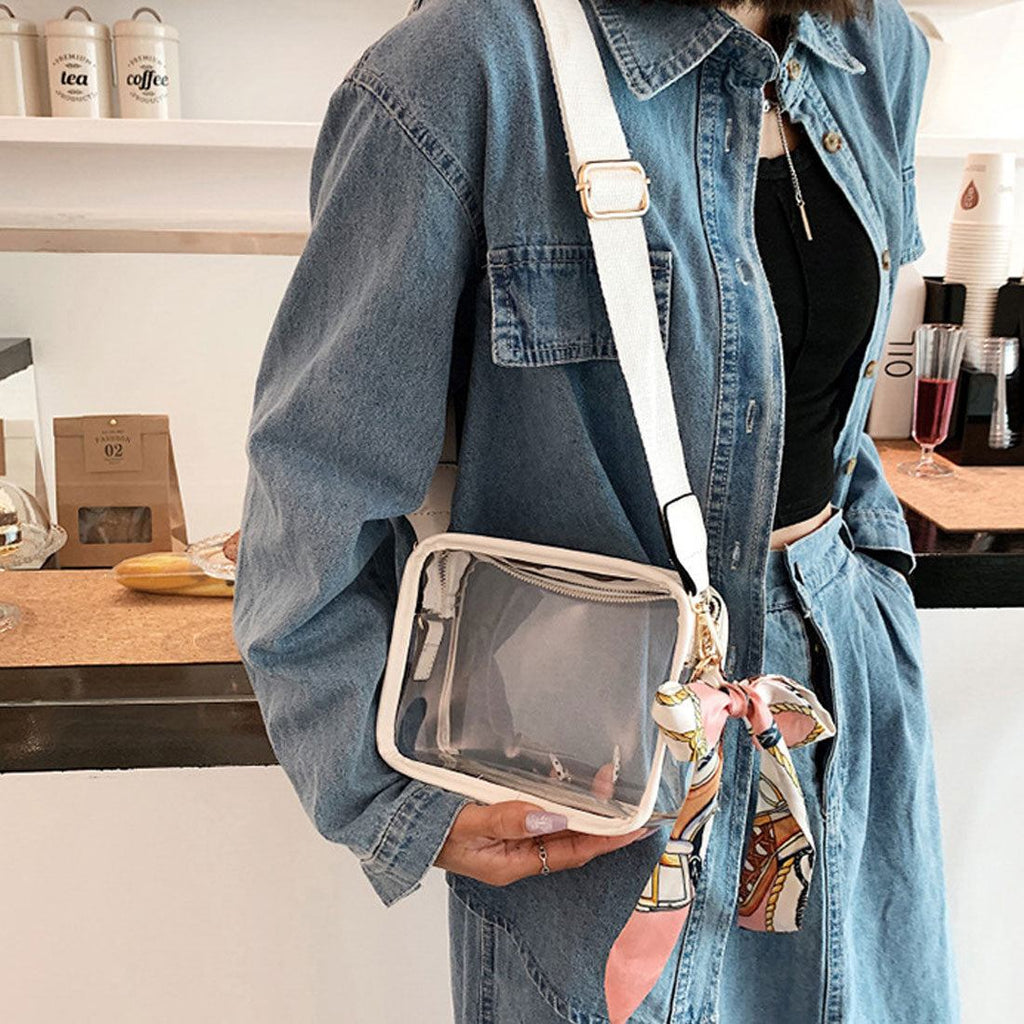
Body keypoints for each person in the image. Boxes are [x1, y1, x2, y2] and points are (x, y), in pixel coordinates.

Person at [233, 0, 959, 1020]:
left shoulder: (873, 50)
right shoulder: (466, 71)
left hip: (846, 715)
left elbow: (827, 398)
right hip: (594, 762)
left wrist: (867, 578)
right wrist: (396, 798)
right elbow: (314, 482)